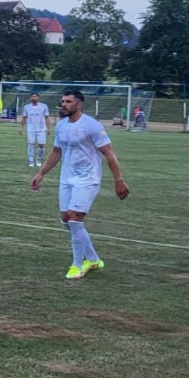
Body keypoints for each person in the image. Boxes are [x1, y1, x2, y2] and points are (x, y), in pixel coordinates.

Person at [31, 89, 130, 279]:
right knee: (66, 220)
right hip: (67, 178)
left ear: (79, 104)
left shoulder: (91, 125)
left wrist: (118, 180)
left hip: (87, 178)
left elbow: (109, 153)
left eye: (68, 101)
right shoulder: (61, 126)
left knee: (75, 218)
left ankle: (76, 266)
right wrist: (41, 173)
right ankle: (93, 259)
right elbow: (56, 152)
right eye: (63, 101)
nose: (64, 104)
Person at [20, 92, 53, 168]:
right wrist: (21, 128)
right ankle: (31, 161)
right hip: (30, 129)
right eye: (32, 96)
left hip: (41, 129)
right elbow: (24, 118)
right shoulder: (26, 107)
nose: (33, 98)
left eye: (35, 96)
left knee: (41, 145)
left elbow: (47, 117)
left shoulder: (44, 106)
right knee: (31, 144)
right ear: (30, 98)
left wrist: (49, 128)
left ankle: (38, 160)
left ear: (38, 98)